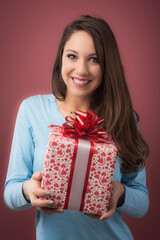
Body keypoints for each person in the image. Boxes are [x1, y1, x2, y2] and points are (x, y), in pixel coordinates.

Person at [4, 15, 149, 240]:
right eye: (72, 56)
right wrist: (28, 191)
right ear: (61, 59)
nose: (81, 70)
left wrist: (119, 193)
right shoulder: (32, 110)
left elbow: (141, 204)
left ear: (107, 65)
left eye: (94, 59)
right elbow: (10, 192)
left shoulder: (123, 118)